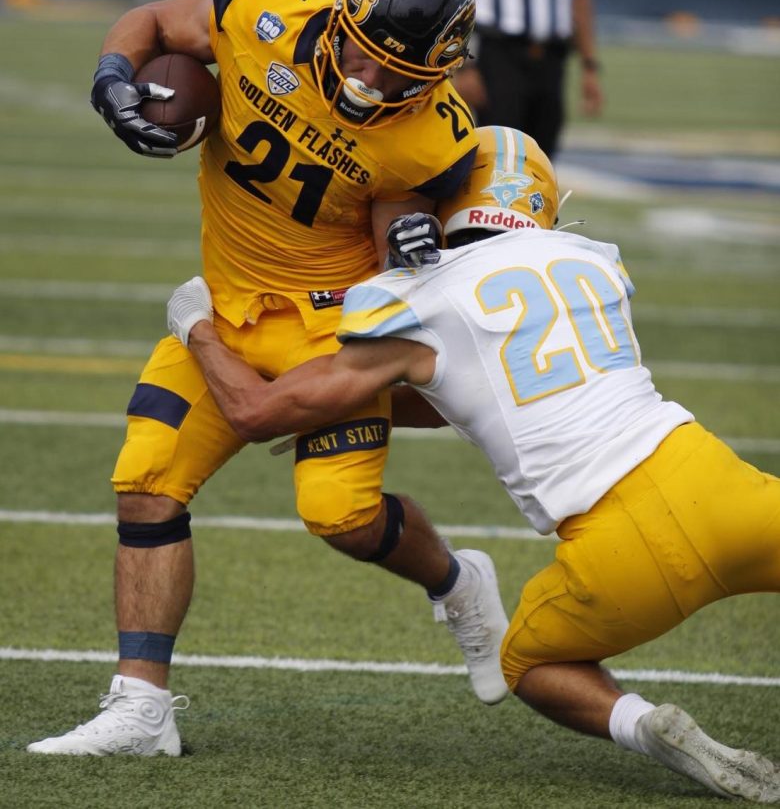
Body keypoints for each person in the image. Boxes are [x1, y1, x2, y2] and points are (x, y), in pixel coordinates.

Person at [161, 125, 779, 802]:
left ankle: (644, 725)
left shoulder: (418, 298)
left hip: (619, 547)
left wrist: (195, 326)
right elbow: (489, 384)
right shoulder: (591, 259)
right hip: (718, 482)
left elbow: (254, 412)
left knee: (528, 663)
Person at [27, 0, 512, 758]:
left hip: (334, 327)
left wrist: (418, 246)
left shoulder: (430, 133)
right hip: (230, 301)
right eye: (363, 51)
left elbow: (393, 233)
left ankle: (459, 583)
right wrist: (115, 75)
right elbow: (151, 20)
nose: (372, 79)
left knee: (342, 517)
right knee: (146, 481)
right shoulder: (269, 4)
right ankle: (142, 707)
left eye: (401, 73)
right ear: (340, 14)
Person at [445, 0, 604, 157]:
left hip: (552, 57)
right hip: (501, 55)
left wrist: (589, 65)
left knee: (542, 159)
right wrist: (462, 66)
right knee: (498, 157)